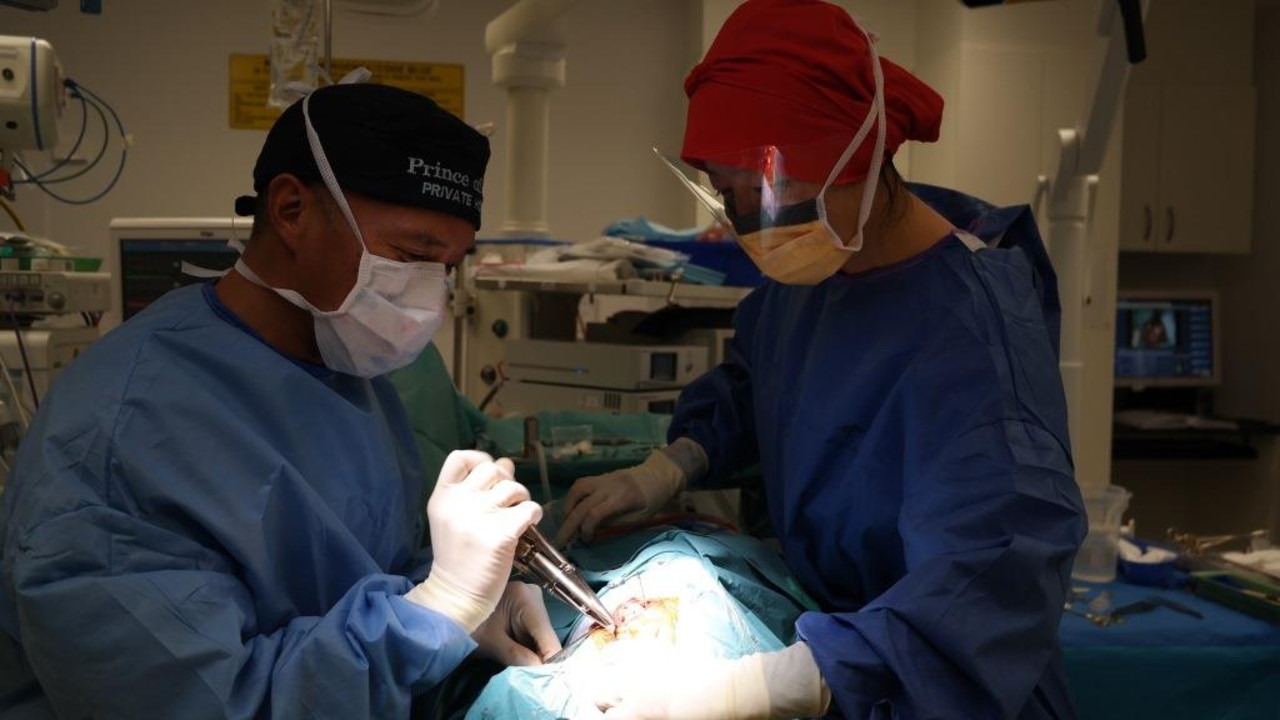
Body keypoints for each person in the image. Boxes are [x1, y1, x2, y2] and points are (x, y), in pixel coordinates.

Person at [554, 1, 1086, 718]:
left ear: (856, 157)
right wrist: (673, 464)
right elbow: (758, 382)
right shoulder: (817, 274)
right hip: (833, 639)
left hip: (932, 687)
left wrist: (769, 687)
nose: (753, 219)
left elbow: (990, 582)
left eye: (771, 186)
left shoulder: (974, 338)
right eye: (729, 192)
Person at [0, 80, 560, 719]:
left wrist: (465, 604)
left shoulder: (347, 365)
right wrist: (433, 611)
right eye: (412, 255)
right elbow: (205, 703)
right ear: (291, 210)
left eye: (451, 266)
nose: (430, 292)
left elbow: (353, 571)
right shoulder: (119, 435)